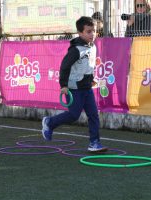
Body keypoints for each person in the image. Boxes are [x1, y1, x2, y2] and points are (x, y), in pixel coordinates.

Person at [42, 16, 108, 152]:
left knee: (93, 115)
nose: (92, 34)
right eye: (88, 31)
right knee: (73, 115)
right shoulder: (76, 50)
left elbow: (87, 66)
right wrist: (64, 85)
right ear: (80, 33)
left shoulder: (93, 46)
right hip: (74, 88)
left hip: (86, 88)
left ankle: (94, 143)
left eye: (94, 31)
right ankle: (49, 122)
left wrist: (91, 79)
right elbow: (64, 66)